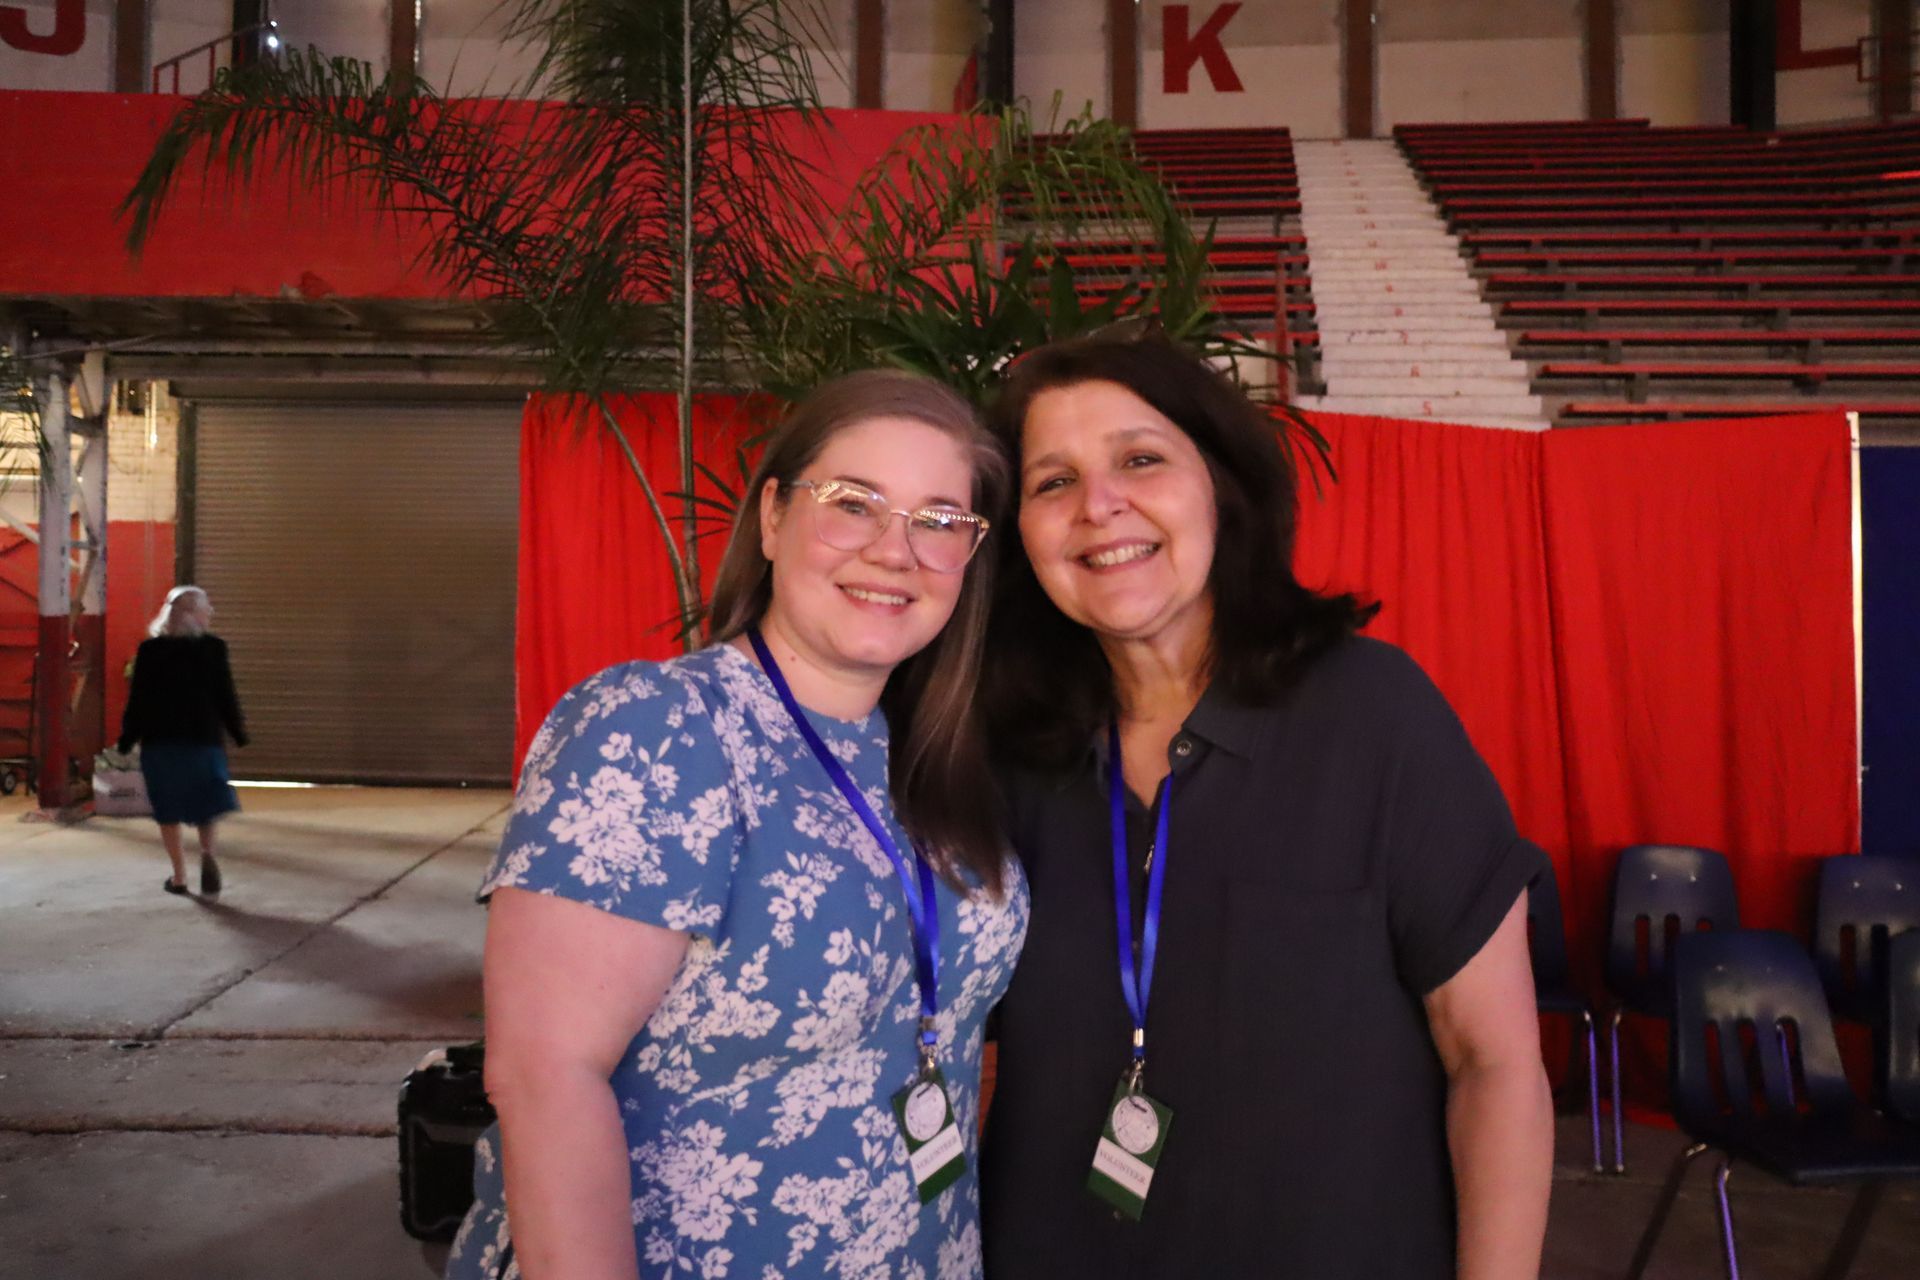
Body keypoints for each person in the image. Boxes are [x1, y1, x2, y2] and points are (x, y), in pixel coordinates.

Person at [977, 335, 1553, 1279]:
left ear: (1223, 487)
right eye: (1053, 481)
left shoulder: (1377, 717)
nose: (1098, 505)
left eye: (1140, 459)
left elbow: (1494, 1067)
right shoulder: (1000, 751)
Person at [445, 370, 1029, 1280]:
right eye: (854, 504)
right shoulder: (657, 730)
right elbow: (545, 1078)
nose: (896, 550)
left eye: (939, 519)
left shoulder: (929, 754)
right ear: (772, 518)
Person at [117, 584, 248, 896]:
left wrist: (127, 739)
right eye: (206, 608)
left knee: (168, 809)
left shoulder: (150, 651)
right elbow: (225, 695)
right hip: (203, 741)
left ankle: (179, 877)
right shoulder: (214, 648)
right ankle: (207, 854)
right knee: (206, 804)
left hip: (160, 743)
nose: (210, 613)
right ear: (194, 614)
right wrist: (238, 732)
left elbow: (139, 701)